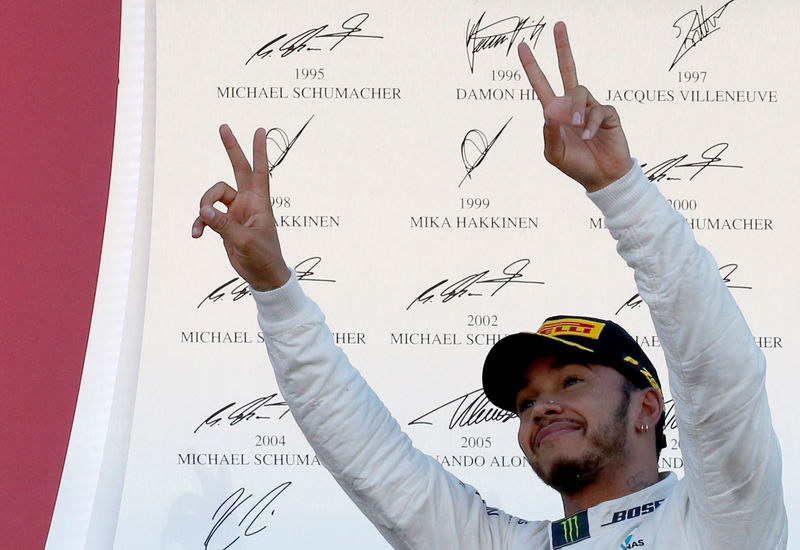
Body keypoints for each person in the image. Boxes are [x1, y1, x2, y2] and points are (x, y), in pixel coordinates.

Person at [191, 22, 786, 550]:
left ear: (648, 408)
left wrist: (622, 191)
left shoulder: (721, 520)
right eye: (525, 403)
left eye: (571, 381)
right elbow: (371, 462)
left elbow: (719, 374)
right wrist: (275, 291)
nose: (543, 406)